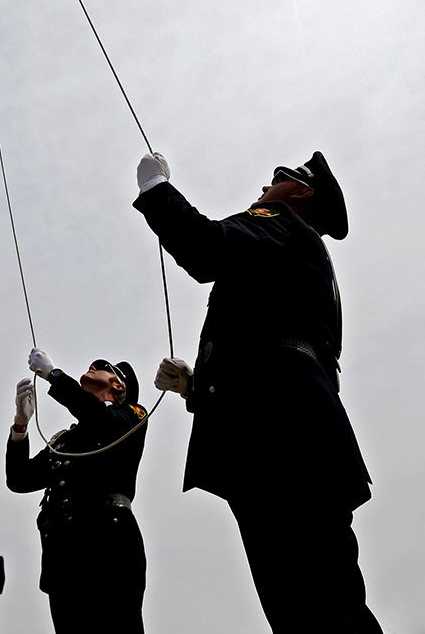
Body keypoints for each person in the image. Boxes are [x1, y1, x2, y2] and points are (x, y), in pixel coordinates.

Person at [134, 151, 382, 632]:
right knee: (315, 604)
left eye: (279, 178)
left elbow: (205, 248)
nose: (266, 185)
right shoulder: (296, 248)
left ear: (301, 192)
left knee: (314, 605)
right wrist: (195, 387)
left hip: (279, 439)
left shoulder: (279, 221)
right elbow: (274, 350)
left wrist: (157, 191)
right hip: (290, 432)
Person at [6, 348, 148, 634]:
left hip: (108, 544)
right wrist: (20, 426)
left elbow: (101, 420)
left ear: (118, 385)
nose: (93, 366)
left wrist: (53, 376)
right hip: (63, 558)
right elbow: (20, 480)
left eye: (103, 366)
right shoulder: (67, 439)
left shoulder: (130, 415)